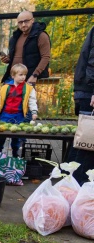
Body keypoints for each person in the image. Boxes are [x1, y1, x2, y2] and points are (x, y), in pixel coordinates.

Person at [0, 64, 38, 157]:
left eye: (25, 75)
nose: (23, 77)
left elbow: (32, 100)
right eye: (20, 75)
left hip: (19, 115)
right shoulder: (5, 87)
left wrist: (34, 111)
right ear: (13, 76)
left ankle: (15, 153)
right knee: (1, 135)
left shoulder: (28, 88)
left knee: (17, 136)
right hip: (5, 114)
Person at [68, 25, 94, 185]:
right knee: (87, 143)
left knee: (83, 140)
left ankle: (68, 182)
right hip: (89, 91)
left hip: (86, 90)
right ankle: (76, 187)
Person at [0, 11, 51, 86]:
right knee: (4, 96)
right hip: (13, 76)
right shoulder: (14, 38)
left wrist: (34, 75)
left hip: (28, 76)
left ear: (32, 20)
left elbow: (46, 57)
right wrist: (8, 59)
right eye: (20, 22)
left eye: (26, 21)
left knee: (25, 97)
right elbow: (15, 56)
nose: (23, 24)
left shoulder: (41, 36)